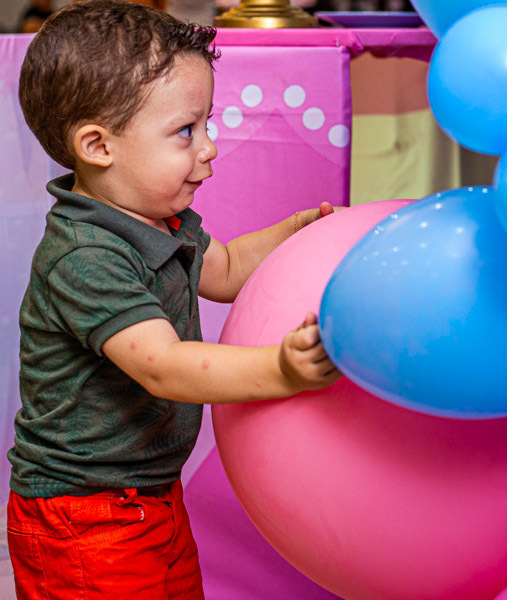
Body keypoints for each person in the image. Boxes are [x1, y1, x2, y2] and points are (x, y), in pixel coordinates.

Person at [7, 1, 343, 597]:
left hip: (152, 492)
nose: (210, 147)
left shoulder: (165, 221)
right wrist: (280, 368)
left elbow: (231, 266)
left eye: (206, 124)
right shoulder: (85, 256)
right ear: (98, 145)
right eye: (187, 131)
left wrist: (295, 232)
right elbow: (163, 366)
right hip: (85, 513)